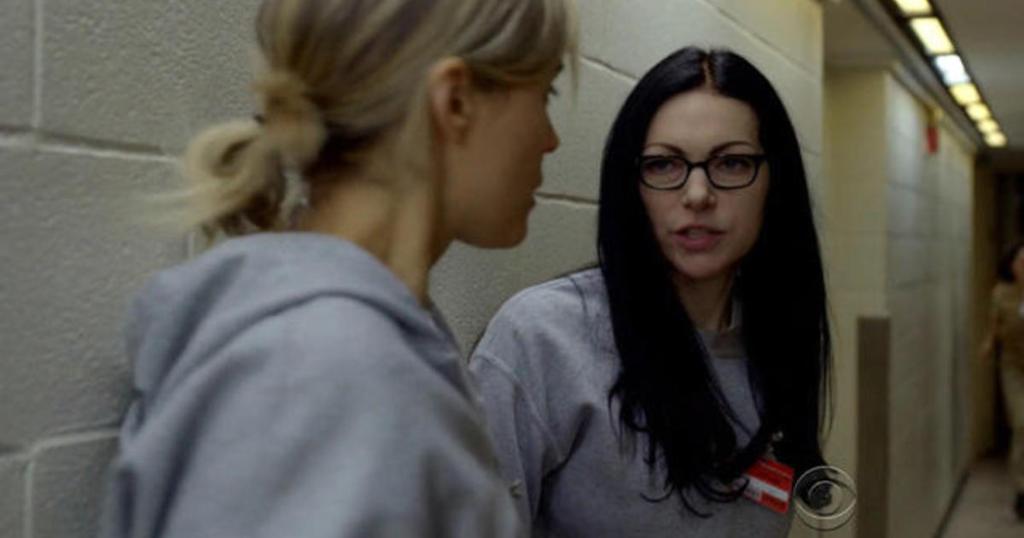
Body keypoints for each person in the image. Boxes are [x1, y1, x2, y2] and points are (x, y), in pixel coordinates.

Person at [97, 0, 577, 536]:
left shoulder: (357, 342)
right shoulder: (324, 368)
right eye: (545, 94)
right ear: (455, 101)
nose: (550, 139)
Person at [468, 47, 832, 536]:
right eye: (664, 165)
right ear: (631, 184)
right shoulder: (542, 339)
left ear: (774, 182)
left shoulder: (778, 340)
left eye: (732, 163)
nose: (698, 195)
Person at [982, 241, 1024, 520]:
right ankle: (1022, 487)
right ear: (1012, 265)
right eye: (1021, 262)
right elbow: (994, 327)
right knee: (1022, 423)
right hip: (1013, 366)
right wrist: (988, 344)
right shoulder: (1002, 293)